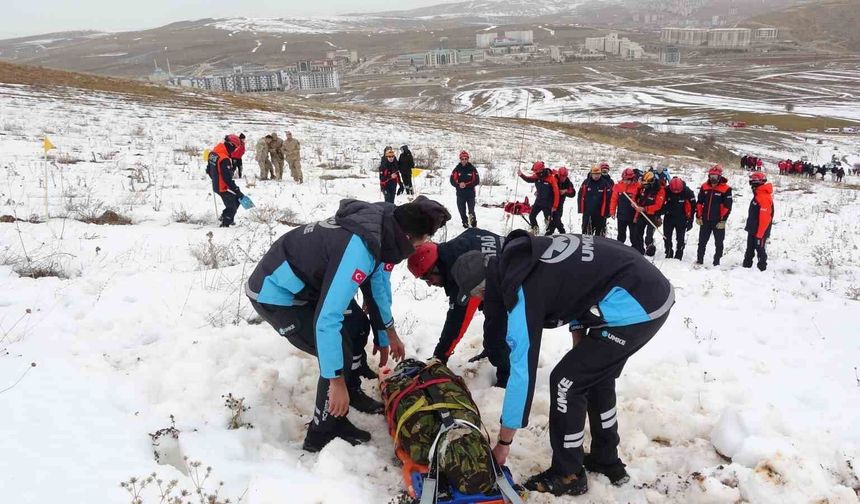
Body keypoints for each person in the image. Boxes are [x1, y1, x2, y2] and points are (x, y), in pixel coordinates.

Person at [449, 231, 674, 497]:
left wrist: (503, 442)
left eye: (479, 295)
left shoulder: (521, 287)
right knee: (590, 376)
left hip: (637, 305)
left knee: (566, 382)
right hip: (643, 290)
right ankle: (605, 458)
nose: (482, 301)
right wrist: (581, 354)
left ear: (486, 286)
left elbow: (522, 370)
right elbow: (578, 292)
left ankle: (568, 474)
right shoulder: (526, 259)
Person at [246, 196, 450, 452]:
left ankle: (350, 393)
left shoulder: (383, 228)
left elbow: (377, 286)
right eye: (424, 240)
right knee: (336, 353)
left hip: (307, 286)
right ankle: (322, 431)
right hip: (276, 293)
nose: (424, 245)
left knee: (356, 325)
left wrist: (388, 332)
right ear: (408, 238)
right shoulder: (358, 250)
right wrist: (336, 381)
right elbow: (326, 320)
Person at [406, 228, 509, 385]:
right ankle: (493, 352)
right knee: (491, 317)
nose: (429, 284)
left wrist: (439, 357)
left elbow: (457, 322)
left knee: (497, 338)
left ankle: (507, 379)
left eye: (428, 277)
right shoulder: (462, 242)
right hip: (507, 270)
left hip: (519, 283)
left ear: (436, 266)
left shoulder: (462, 273)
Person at [695, 165, 733, 266]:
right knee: (702, 242)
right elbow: (699, 202)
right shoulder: (704, 186)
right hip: (705, 220)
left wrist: (723, 220)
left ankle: (716, 262)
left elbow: (728, 206)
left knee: (719, 243)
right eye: (711, 176)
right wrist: (698, 216)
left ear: (719, 177)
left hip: (718, 221)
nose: (713, 178)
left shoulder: (726, 189)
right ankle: (699, 260)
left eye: (715, 176)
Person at [207, 134, 246, 228]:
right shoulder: (224, 159)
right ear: (230, 145)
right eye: (235, 148)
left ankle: (224, 217)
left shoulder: (213, 153)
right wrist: (237, 190)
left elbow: (208, 170)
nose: (235, 150)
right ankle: (225, 224)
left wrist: (215, 179)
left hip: (217, 185)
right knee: (233, 206)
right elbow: (227, 179)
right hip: (223, 187)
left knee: (236, 200)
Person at [743, 172, 773, 271]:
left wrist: (760, 234)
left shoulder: (763, 197)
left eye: (752, 182)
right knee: (749, 249)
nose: (751, 184)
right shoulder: (758, 195)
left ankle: (762, 270)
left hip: (760, 231)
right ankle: (746, 268)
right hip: (753, 229)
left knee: (760, 250)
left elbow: (765, 218)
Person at [630, 171, 665, 256]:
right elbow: (636, 194)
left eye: (646, 184)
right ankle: (639, 250)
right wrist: (634, 202)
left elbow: (658, 205)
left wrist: (645, 209)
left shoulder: (660, 190)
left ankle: (650, 251)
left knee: (649, 236)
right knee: (638, 232)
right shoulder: (642, 186)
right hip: (641, 213)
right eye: (643, 183)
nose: (644, 185)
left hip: (653, 215)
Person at [519, 161, 559, 235]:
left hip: (548, 204)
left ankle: (549, 234)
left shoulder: (551, 178)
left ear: (541, 170)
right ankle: (535, 230)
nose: (535, 173)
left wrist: (555, 206)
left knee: (548, 220)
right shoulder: (536, 176)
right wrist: (521, 175)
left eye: (536, 171)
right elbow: (528, 179)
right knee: (532, 216)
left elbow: (556, 193)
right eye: (534, 171)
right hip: (538, 202)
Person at [663, 177, 696, 260]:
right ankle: (669, 251)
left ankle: (679, 253)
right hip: (668, 217)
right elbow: (660, 202)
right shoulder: (666, 190)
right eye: (674, 191)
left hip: (682, 218)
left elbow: (693, 207)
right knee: (666, 236)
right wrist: (657, 215)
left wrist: (691, 220)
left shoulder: (688, 192)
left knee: (680, 238)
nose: (676, 192)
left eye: (678, 191)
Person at [578, 165, 613, 237]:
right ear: (591, 174)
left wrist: (607, 212)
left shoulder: (605, 183)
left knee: (600, 234)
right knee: (586, 232)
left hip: (600, 213)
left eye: (598, 174)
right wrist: (580, 209)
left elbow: (609, 199)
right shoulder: (586, 182)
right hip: (588, 212)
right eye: (595, 174)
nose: (596, 176)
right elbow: (580, 196)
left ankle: (599, 247)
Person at [610, 168, 640, 245]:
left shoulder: (638, 187)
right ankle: (619, 250)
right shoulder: (618, 186)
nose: (625, 181)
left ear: (632, 178)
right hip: (621, 215)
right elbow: (614, 200)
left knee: (634, 236)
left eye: (628, 180)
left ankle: (636, 250)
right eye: (624, 179)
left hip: (633, 216)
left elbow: (640, 202)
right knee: (621, 235)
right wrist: (612, 211)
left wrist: (636, 216)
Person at [450, 150, 480, 228]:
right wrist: (458, 184)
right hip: (460, 194)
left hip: (470, 194)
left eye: (465, 159)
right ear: (460, 159)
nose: (464, 160)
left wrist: (465, 185)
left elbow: (477, 181)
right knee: (462, 210)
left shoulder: (472, 169)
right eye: (462, 159)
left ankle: (473, 224)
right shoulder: (457, 169)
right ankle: (465, 223)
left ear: (468, 159)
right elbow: (452, 180)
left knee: (471, 211)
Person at [546, 167, 575, 235]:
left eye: (565, 176)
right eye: (562, 176)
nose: (563, 178)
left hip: (560, 204)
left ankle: (549, 233)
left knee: (555, 220)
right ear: (558, 174)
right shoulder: (553, 179)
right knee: (555, 220)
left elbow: (573, 193)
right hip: (550, 203)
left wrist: (565, 191)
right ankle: (562, 233)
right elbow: (546, 187)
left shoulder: (567, 182)